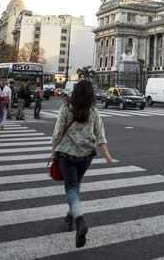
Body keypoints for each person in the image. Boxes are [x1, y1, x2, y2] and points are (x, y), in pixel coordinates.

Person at [50, 80, 114, 248]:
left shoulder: (66, 108)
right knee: (76, 185)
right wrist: (106, 154)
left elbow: (57, 133)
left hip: (67, 154)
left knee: (71, 188)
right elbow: (100, 134)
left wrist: (53, 152)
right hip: (86, 155)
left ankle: (79, 221)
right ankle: (70, 218)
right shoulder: (93, 111)